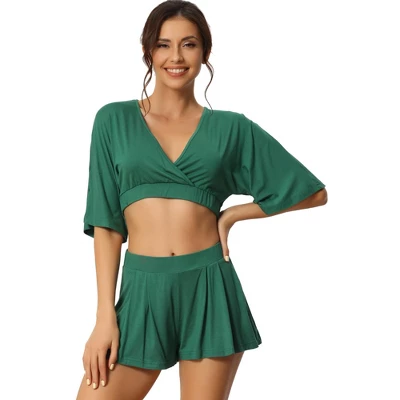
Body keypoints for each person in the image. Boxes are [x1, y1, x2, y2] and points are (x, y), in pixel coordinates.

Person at [76, 1, 328, 399]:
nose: (176, 57)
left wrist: (232, 215)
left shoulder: (232, 128)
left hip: (210, 290)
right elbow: (107, 224)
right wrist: (105, 315)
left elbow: (312, 191)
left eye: (189, 44)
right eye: (163, 45)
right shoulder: (112, 120)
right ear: (148, 51)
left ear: (205, 52)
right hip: (141, 292)